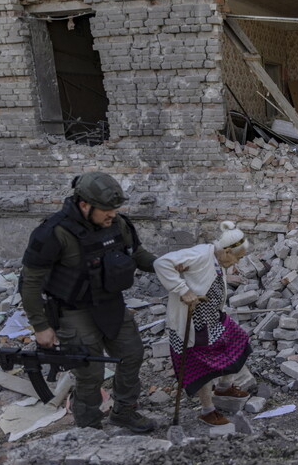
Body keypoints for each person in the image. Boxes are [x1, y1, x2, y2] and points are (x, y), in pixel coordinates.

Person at [20, 172, 158, 432]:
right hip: (73, 311)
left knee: (131, 355)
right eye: (106, 210)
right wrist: (40, 326)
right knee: (91, 372)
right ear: (84, 205)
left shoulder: (117, 224)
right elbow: (30, 282)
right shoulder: (53, 232)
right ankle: (89, 428)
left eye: (115, 209)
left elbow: (136, 253)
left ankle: (124, 412)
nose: (112, 215)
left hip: (110, 304)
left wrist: (165, 265)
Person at [153, 221, 253, 426]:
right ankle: (207, 410)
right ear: (227, 251)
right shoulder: (199, 255)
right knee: (202, 367)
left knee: (238, 341)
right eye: (238, 257)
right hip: (193, 323)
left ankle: (224, 388)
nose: (237, 262)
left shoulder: (218, 257)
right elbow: (161, 263)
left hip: (213, 317)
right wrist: (183, 290)